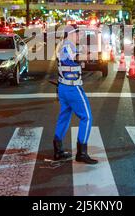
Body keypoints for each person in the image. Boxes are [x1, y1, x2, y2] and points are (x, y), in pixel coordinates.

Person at [53, 27, 98, 165]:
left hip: (63, 87)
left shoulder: (64, 45)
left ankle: (58, 150)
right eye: (77, 32)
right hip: (72, 88)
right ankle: (82, 153)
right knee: (87, 117)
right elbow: (75, 58)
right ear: (70, 34)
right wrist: (90, 56)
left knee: (64, 117)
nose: (80, 35)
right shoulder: (67, 45)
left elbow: (75, 60)